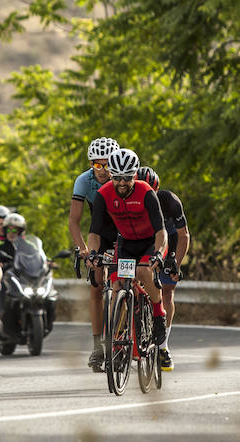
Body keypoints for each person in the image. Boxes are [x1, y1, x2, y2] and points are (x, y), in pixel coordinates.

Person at [86, 147, 168, 351]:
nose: (122, 182)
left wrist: (159, 252)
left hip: (150, 242)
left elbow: (161, 231)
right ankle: (115, 339)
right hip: (127, 244)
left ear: (135, 174)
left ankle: (158, 314)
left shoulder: (146, 192)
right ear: (111, 174)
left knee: (142, 271)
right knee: (117, 287)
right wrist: (93, 253)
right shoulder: (103, 195)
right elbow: (94, 232)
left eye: (128, 177)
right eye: (118, 177)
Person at [69, 136, 119, 371]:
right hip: (99, 233)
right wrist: (83, 249)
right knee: (97, 284)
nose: (101, 170)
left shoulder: (125, 178)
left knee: (124, 284)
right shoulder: (83, 181)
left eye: (107, 164)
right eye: (96, 164)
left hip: (126, 233)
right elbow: (74, 220)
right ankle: (97, 345)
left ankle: (124, 337)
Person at [137, 165, 188, 372]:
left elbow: (184, 235)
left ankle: (163, 346)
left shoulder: (170, 201)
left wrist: (177, 262)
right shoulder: (129, 200)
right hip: (143, 240)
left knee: (167, 290)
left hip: (169, 240)